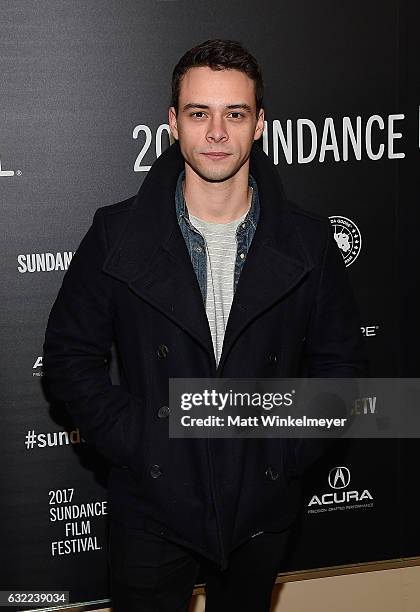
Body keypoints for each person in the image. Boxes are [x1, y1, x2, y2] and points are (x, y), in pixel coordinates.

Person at [43, 39, 368, 611]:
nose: (216, 131)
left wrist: (284, 449)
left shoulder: (310, 244)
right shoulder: (116, 236)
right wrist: (140, 439)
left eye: (234, 114)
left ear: (259, 124)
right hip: (151, 506)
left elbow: (342, 367)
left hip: (260, 506)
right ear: (173, 123)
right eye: (199, 113)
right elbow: (69, 359)